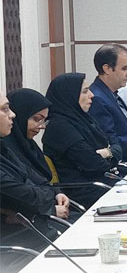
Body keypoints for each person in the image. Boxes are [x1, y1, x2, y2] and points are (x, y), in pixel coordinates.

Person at [0, 90, 73, 258]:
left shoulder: (3, 148)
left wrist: (50, 195)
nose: (12, 115)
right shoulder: (8, 146)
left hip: (30, 225)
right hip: (14, 241)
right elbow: (27, 196)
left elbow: (39, 181)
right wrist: (48, 207)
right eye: (5, 109)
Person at [42, 73, 122, 208]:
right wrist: (110, 153)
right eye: (85, 91)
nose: (92, 95)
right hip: (86, 191)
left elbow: (116, 146)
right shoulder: (59, 128)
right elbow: (95, 164)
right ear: (69, 96)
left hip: (103, 182)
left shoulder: (84, 120)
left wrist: (107, 153)